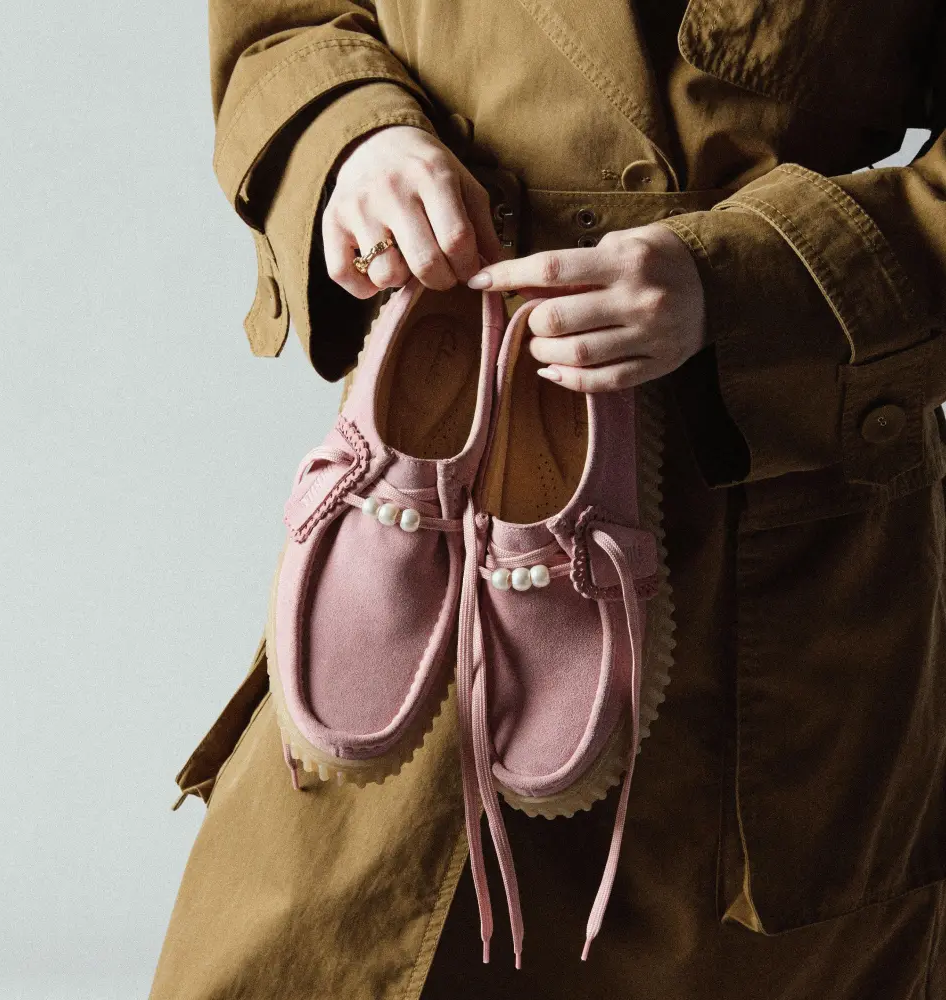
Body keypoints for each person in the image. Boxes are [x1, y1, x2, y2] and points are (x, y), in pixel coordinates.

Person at [149, 2, 946, 997]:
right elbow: (289, 23)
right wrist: (355, 135)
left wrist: (746, 278)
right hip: (428, 496)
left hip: (778, 559)